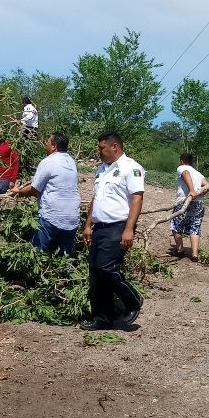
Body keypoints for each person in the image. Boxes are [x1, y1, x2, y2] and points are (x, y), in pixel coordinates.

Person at [80, 131, 144, 330]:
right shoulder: (102, 169)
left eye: (102, 148)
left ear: (114, 146)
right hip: (99, 227)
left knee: (106, 268)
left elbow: (137, 198)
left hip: (118, 226)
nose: (99, 152)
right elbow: (96, 199)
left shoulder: (131, 168)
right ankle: (103, 318)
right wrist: (88, 225)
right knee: (95, 273)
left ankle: (132, 300)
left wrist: (129, 229)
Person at [11, 133, 80, 256]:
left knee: (36, 253)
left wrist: (18, 192)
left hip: (52, 216)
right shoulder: (71, 161)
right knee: (64, 257)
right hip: (72, 217)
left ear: (54, 146)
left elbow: (34, 190)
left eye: (47, 142)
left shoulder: (48, 161)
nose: (45, 144)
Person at [169, 152, 209, 261]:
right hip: (198, 202)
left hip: (184, 201)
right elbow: (207, 185)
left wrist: (191, 191)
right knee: (195, 226)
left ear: (181, 161)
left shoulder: (182, 168)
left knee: (176, 224)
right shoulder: (198, 173)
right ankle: (194, 254)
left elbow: (185, 173)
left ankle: (180, 249)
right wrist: (200, 193)